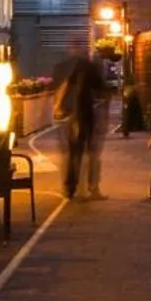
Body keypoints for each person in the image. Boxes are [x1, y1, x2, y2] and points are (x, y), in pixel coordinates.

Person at [56, 46, 110, 201]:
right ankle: (89, 188)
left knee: (75, 153)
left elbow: (67, 85)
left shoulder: (80, 66)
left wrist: (59, 105)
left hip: (77, 115)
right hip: (84, 116)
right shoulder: (91, 67)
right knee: (89, 153)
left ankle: (71, 188)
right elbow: (103, 91)